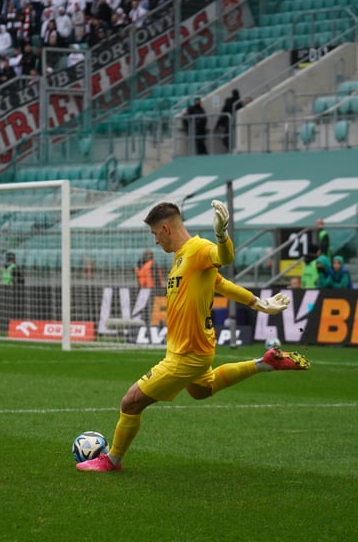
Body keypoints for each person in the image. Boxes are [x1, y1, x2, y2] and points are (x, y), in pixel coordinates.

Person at [76, 201, 310, 472]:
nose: (155, 241)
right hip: (193, 349)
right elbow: (222, 283)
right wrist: (259, 303)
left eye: (155, 234)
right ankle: (265, 362)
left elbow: (225, 258)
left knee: (131, 402)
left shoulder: (198, 249)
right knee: (201, 390)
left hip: (187, 354)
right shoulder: (180, 258)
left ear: (165, 228)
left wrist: (222, 236)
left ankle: (112, 460)